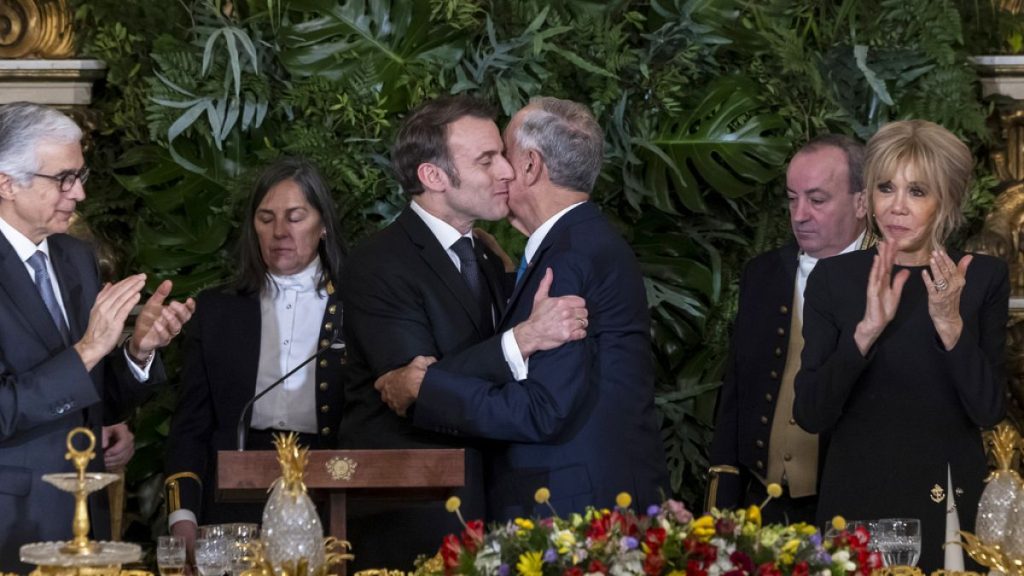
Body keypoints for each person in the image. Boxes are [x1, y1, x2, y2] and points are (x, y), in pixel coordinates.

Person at [375, 96, 668, 522]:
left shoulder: (568, 258)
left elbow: (541, 409)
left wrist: (426, 387)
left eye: (502, 156)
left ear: (530, 166)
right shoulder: (573, 244)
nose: (498, 172)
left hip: (578, 511)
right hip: (591, 500)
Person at [340, 95, 586, 568]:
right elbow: (418, 392)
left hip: (490, 508)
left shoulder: (490, 256)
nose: (508, 172)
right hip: (413, 514)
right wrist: (523, 340)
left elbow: (440, 380)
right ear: (433, 177)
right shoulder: (379, 264)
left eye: (503, 155)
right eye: (486, 160)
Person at [794, 120, 1007, 571]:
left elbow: (988, 410)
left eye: (917, 192)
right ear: (868, 197)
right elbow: (810, 413)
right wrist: (864, 334)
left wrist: (950, 323)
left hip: (946, 506)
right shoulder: (834, 280)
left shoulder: (981, 278)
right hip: (856, 502)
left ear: (946, 201)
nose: (897, 207)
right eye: (886, 188)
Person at [0, 102, 194, 572]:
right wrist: (88, 348)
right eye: (63, 178)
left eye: (80, 175)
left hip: (86, 517)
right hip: (12, 523)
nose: (80, 193)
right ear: (7, 182)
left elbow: (94, 400)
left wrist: (136, 352)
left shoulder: (75, 258)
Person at [164, 157, 348, 553]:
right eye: (266, 218)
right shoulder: (215, 311)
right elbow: (191, 425)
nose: (280, 231)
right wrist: (184, 516)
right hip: (233, 493)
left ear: (323, 225)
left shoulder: (358, 306)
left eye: (295, 217)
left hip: (331, 490)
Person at [707, 135, 873, 524]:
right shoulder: (763, 274)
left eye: (817, 200)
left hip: (850, 508)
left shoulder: (887, 281)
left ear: (862, 202)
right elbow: (736, 389)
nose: (799, 214)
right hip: (761, 505)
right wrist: (722, 504)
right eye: (791, 198)